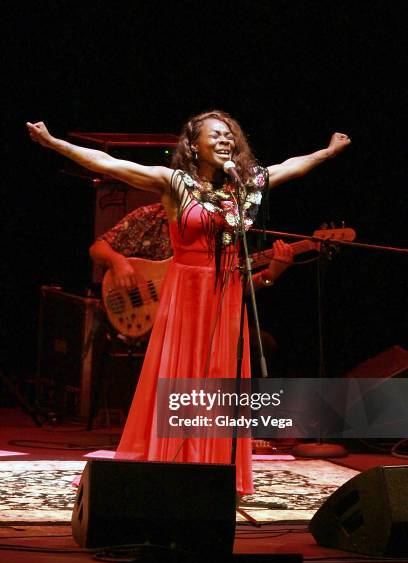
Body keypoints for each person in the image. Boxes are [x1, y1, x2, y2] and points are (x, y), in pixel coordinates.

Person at [27, 110, 350, 493]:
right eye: (215, 134)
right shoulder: (175, 183)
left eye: (230, 134)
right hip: (186, 291)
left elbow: (289, 167)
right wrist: (54, 143)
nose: (225, 139)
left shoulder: (243, 185)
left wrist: (327, 153)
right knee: (183, 375)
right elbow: (109, 163)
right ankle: (171, 464)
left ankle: (213, 469)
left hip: (226, 293)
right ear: (193, 146)